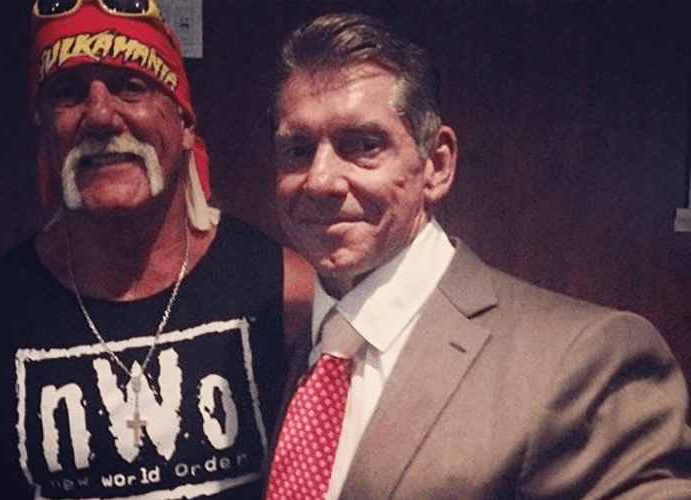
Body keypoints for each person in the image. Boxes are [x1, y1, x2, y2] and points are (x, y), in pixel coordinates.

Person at [264, 12, 691, 500]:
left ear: (437, 165)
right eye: (297, 150)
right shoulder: (282, 342)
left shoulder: (586, 359)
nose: (320, 180)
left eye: (363, 145)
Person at [0, 1, 313, 499]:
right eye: (68, 93)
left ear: (185, 123)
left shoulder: (286, 292)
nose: (99, 115)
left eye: (130, 86)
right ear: (44, 132)